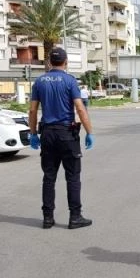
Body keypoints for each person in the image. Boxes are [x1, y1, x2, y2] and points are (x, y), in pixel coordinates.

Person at [28, 47, 95, 230]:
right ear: (66, 62)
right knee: (73, 177)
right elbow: (80, 109)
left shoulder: (39, 82)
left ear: (49, 62)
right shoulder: (70, 81)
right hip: (67, 134)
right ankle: (75, 217)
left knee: (49, 177)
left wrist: (33, 133)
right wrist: (89, 132)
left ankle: (47, 218)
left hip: (47, 134)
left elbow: (33, 110)